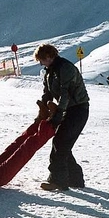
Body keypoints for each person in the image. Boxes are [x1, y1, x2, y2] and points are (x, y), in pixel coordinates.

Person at [34, 43, 90, 191]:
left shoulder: (65, 68)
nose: (40, 63)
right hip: (68, 110)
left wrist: (58, 114)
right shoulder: (50, 71)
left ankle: (58, 180)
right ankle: (75, 179)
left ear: (49, 56)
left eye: (42, 60)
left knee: (60, 142)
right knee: (64, 144)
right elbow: (48, 91)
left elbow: (66, 94)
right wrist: (44, 105)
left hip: (78, 110)